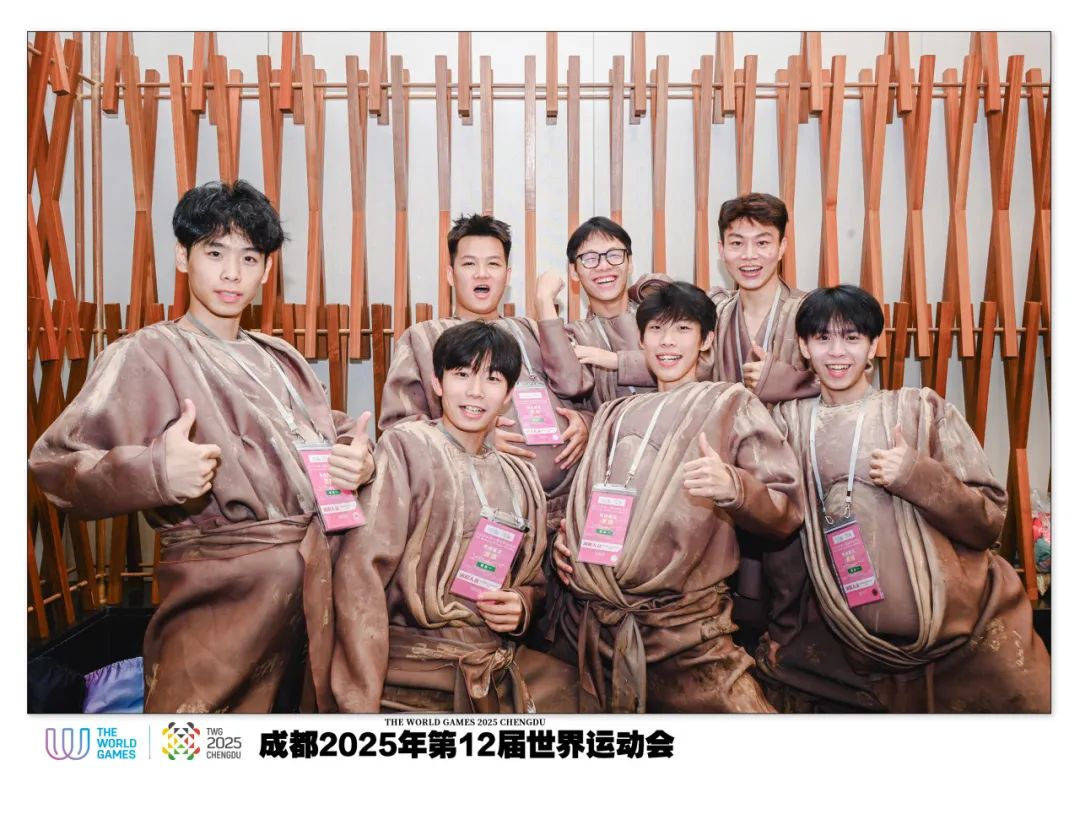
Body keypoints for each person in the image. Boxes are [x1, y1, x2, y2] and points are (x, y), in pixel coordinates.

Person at [29, 180, 374, 713]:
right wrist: (156, 472)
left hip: (312, 601)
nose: (232, 273)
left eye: (249, 258)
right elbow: (55, 466)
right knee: (191, 748)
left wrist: (357, 456)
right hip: (220, 608)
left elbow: (326, 430)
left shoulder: (281, 357)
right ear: (182, 256)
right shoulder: (147, 353)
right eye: (215, 253)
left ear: (267, 270)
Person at [757, 284, 1051, 713]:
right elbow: (780, 534)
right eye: (822, 338)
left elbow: (988, 520)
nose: (837, 352)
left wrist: (915, 475)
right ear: (804, 347)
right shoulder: (787, 423)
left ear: (873, 345)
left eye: (851, 337)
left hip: (967, 635)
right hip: (844, 645)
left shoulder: (919, 410)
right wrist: (784, 627)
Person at [550, 281, 803, 712]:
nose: (667, 342)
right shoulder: (614, 413)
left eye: (683, 329)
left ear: (706, 340)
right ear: (642, 339)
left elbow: (787, 511)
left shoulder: (730, 402)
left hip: (687, 633)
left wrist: (736, 488)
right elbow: (589, 499)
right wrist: (567, 539)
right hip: (596, 627)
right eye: (656, 329)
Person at [332, 322, 578, 713]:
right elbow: (360, 574)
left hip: (494, 656)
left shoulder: (520, 475)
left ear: (508, 395)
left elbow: (533, 580)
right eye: (462, 374)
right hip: (415, 662)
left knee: (587, 702)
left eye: (492, 379)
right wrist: (358, 699)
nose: (476, 391)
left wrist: (521, 606)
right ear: (437, 383)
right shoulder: (407, 448)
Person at [379, 213, 591, 532]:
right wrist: (475, 438)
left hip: (565, 508)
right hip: (483, 511)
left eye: (493, 264)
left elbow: (582, 395)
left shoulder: (532, 330)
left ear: (507, 275)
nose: (482, 273)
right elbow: (399, 430)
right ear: (450, 275)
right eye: (469, 264)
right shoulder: (422, 337)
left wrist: (584, 425)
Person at [581, 193, 817, 404]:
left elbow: (837, 378)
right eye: (737, 243)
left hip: (793, 439)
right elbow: (677, 363)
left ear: (782, 247)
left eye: (762, 243)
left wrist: (790, 382)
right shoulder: (715, 309)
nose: (749, 255)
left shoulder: (812, 311)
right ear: (721, 249)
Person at [535, 216, 656, 409]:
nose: (604, 265)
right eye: (590, 259)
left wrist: (615, 361)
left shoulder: (659, 314)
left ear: (630, 263)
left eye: (614, 255)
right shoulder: (574, 336)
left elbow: (692, 362)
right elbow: (568, 384)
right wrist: (544, 300)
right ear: (574, 271)